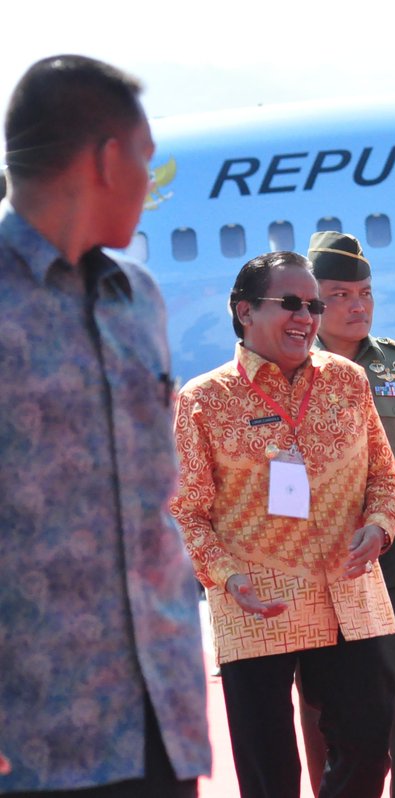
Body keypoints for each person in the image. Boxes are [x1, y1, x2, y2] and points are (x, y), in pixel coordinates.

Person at [0, 55, 211, 796]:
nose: (150, 187)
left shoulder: (138, 301)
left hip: (159, 718)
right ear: (107, 159)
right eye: (147, 163)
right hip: (34, 734)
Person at [170, 250, 395, 798]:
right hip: (256, 602)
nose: (305, 317)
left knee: (370, 748)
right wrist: (227, 578)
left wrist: (378, 529)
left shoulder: (347, 381)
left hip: (348, 594)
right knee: (269, 774)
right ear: (244, 311)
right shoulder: (204, 399)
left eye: (312, 305)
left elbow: (388, 483)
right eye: (290, 304)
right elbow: (186, 511)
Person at [293, 231, 395, 798]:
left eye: (365, 293)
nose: (358, 305)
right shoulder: (286, 370)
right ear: (311, 302)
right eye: (340, 295)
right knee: (324, 694)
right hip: (318, 546)